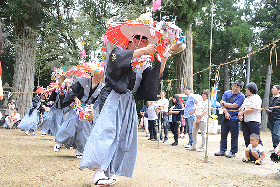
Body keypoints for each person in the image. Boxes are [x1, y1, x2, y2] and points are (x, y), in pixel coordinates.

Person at [79, 20, 177, 185]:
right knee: (107, 131)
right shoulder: (119, 52)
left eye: (147, 41)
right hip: (113, 96)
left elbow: (154, 77)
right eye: (142, 39)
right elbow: (115, 63)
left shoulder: (144, 61)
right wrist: (141, 52)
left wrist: (164, 56)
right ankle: (98, 172)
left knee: (122, 136)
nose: (145, 43)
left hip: (128, 100)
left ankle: (108, 171)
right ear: (134, 39)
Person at [54, 72, 104, 158]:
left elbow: (100, 99)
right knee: (71, 125)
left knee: (85, 129)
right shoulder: (82, 81)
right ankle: (60, 142)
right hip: (78, 107)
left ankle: (80, 150)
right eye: (97, 77)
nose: (98, 80)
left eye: (100, 78)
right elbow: (71, 90)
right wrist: (75, 98)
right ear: (93, 74)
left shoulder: (102, 87)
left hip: (88, 110)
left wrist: (93, 105)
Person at [215, 80, 245, 158]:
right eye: (234, 86)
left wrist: (224, 103)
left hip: (234, 118)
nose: (234, 88)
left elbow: (234, 105)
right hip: (225, 116)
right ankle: (222, 150)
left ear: (241, 88)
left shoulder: (241, 96)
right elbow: (222, 104)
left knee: (234, 136)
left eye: (237, 87)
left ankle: (233, 151)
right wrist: (226, 112)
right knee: (223, 135)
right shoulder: (226, 93)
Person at [238, 82, 263, 147]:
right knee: (247, 139)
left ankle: (259, 154)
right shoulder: (247, 98)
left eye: (246, 88)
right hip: (246, 121)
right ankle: (249, 155)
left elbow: (251, 109)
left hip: (254, 121)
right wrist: (240, 114)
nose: (245, 90)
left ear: (250, 89)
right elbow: (242, 107)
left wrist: (242, 112)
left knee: (255, 139)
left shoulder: (257, 98)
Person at [268, 85, 280, 150]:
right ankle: (275, 147)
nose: (272, 90)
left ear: (279, 90)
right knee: (273, 133)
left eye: (274, 89)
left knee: (276, 134)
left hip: (278, 118)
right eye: (272, 88)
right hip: (271, 118)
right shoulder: (271, 98)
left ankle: (278, 147)